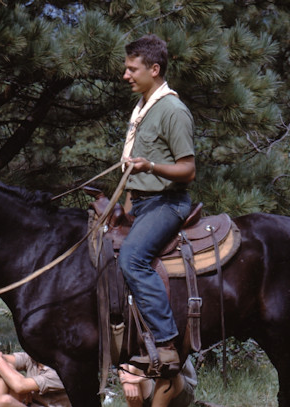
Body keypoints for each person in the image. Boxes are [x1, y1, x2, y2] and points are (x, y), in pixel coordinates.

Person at [119, 34, 196, 376]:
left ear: (154, 68)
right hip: (141, 203)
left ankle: (166, 343)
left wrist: (151, 166)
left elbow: (187, 169)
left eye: (132, 69)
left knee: (132, 258)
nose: (126, 75)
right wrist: (124, 203)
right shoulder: (142, 109)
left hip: (168, 203)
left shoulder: (172, 110)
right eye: (126, 68)